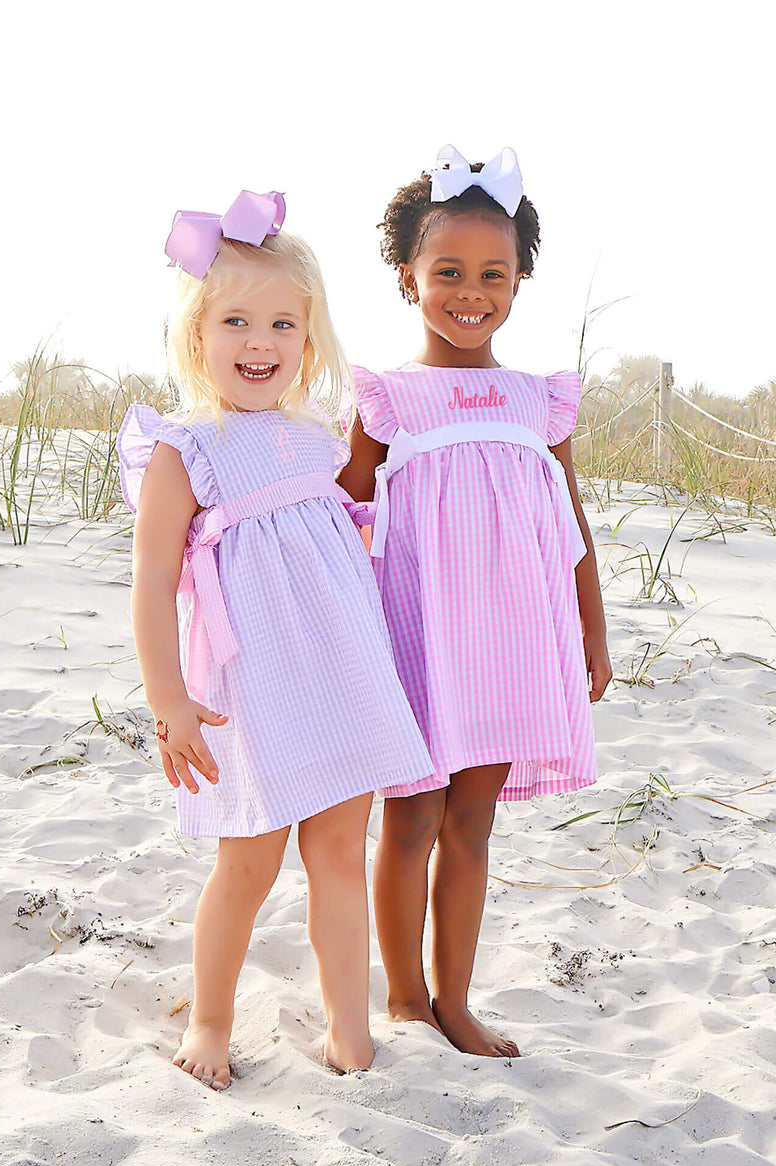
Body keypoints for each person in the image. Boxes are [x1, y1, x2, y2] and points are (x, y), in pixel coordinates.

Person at [118, 190, 432, 1089]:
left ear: (308, 336)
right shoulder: (187, 449)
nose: (260, 344)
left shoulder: (318, 438)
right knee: (247, 861)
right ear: (197, 337)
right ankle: (210, 1023)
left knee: (339, 854)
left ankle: (346, 1029)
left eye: (282, 325)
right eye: (237, 323)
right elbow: (153, 583)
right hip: (248, 684)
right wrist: (168, 698)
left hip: (338, 675)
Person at [337, 147, 612, 1058]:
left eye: (493, 274)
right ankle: (406, 999)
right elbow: (344, 518)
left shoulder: (540, 402)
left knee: (473, 822)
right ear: (408, 276)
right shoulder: (390, 399)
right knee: (409, 815)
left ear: (521, 280)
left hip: (511, 641)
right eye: (447, 271)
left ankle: (455, 998)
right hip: (418, 637)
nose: (470, 291)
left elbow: (569, 524)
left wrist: (591, 631)